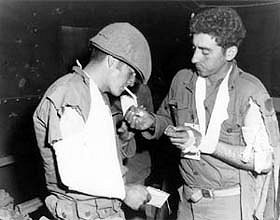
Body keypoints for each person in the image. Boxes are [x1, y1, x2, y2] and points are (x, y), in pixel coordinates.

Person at [124, 7, 280, 220]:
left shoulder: (249, 91)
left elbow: (262, 161)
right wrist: (151, 122)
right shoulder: (182, 80)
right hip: (187, 202)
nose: (195, 58)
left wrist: (203, 143)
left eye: (205, 51)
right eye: (194, 48)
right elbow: (168, 119)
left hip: (230, 206)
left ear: (230, 52)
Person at [33, 22, 152, 220]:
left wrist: (124, 137)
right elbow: (72, 173)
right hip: (84, 213)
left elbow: (94, 158)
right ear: (114, 62)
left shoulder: (95, 96)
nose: (132, 82)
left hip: (100, 210)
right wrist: (124, 192)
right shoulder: (70, 93)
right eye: (131, 73)